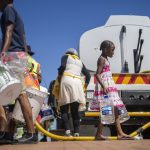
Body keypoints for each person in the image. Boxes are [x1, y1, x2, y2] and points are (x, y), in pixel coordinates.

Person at [0, 0, 37, 144]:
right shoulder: (14, 13)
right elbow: (23, 38)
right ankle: (8, 134)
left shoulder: (8, 10)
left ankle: (31, 133)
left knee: (20, 94)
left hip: (12, 55)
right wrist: (25, 56)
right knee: (10, 94)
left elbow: (8, 32)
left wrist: (2, 54)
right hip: (19, 55)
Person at [95, 40, 133, 140]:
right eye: (112, 50)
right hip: (106, 87)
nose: (113, 53)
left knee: (114, 109)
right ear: (105, 49)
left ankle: (119, 133)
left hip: (109, 86)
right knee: (106, 109)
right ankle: (99, 134)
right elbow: (97, 74)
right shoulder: (102, 59)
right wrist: (103, 86)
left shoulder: (106, 59)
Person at [58, 48, 91, 137]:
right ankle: (76, 132)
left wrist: (58, 81)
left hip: (67, 80)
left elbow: (61, 69)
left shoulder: (65, 57)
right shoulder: (80, 61)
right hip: (77, 83)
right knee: (74, 110)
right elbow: (88, 75)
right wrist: (84, 87)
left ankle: (67, 132)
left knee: (64, 107)